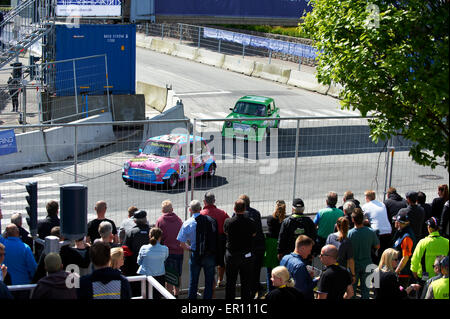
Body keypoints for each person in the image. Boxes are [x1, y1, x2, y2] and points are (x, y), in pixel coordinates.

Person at [177, 200, 218, 300]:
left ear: (190, 210)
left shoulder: (187, 223)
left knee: (193, 280)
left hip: (195, 254)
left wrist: (190, 248)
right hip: (209, 254)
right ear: (200, 209)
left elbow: (181, 243)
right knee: (209, 281)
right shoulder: (210, 220)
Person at [223, 199, 256, 300]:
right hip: (246, 256)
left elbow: (226, 232)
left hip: (232, 255)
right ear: (245, 209)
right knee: (246, 282)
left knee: (230, 282)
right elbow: (254, 234)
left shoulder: (228, 221)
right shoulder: (251, 222)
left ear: (234, 209)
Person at [348, 208, 380, 299]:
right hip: (367, 263)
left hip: (354, 264)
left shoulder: (350, 234)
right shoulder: (370, 232)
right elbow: (377, 246)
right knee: (366, 289)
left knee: (353, 289)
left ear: (353, 219)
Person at [238, 194, 266, 298]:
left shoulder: (239, 214)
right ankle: (255, 291)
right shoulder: (256, 213)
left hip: (246, 249)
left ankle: (250, 293)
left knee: (246, 273)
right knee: (256, 271)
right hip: (258, 247)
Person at [200, 192, 230, 289]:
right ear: (214, 201)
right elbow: (229, 226)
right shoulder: (223, 213)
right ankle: (220, 280)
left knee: (209, 262)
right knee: (221, 261)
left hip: (207, 242)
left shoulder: (201, 215)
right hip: (221, 240)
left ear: (204, 202)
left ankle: (211, 282)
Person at [155, 200, 183, 297]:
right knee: (178, 275)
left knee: (169, 276)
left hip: (166, 252)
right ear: (172, 209)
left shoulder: (160, 221)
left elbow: (157, 237)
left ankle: (169, 295)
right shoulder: (179, 220)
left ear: (162, 210)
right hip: (179, 251)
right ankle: (177, 294)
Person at [410, 217, 449, 285]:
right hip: (442, 278)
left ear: (429, 228)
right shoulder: (447, 242)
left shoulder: (423, 242)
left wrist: (415, 274)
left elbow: (415, 260)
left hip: (425, 278)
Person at [280, 235, 317, 300]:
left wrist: (308, 277)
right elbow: (302, 290)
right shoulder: (300, 265)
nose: (309, 253)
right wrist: (317, 280)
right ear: (303, 248)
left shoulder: (284, 258)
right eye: (309, 250)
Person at [122, 210, 150, 296]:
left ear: (134, 221)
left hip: (134, 268)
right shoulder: (152, 232)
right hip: (150, 268)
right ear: (145, 219)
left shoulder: (130, 232)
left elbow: (125, 251)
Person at [137, 227, 169, 299]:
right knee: (157, 296)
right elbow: (164, 259)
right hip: (160, 276)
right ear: (160, 237)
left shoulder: (143, 248)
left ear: (149, 236)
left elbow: (139, 262)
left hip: (146, 276)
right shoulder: (165, 249)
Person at [362, 190, 392, 262]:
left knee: (376, 254)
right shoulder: (382, 204)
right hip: (388, 230)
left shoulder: (366, 206)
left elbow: (361, 219)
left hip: (377, 231)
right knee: (386, 252)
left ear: (367, 198)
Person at [265, 199, 286, 292]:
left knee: (270, 271)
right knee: (282, 271)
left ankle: (270, 292)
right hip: (282, 245)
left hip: (271, 245)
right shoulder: (286, 220)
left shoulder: (270, 218)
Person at [392, 210, 416, 288]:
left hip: (403, 272)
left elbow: (405, 257)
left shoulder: (406, 237)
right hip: (399, 269)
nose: (396, 223)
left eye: (397, 222)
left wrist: (397, 271)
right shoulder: (401, 231)